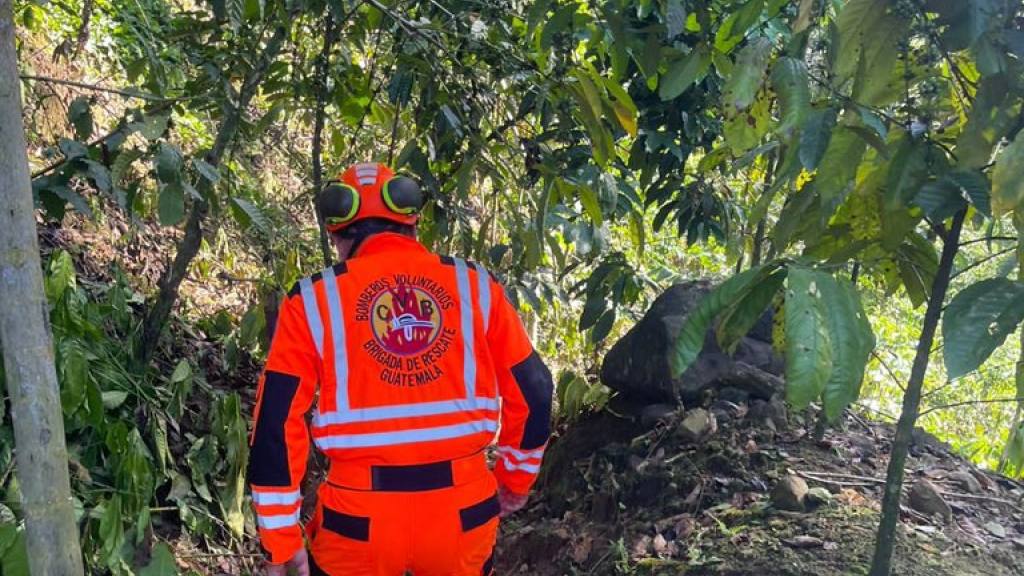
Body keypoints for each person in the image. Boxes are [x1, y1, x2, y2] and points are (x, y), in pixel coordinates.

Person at [247, 162, 554, 576]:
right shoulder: (475, 286)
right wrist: (514, 480)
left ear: (337, 234)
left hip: (356, 523)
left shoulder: (314, 300)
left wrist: (281, 539)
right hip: (463, 514)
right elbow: (534, 388)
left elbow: (276, 421)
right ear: (413, 224)